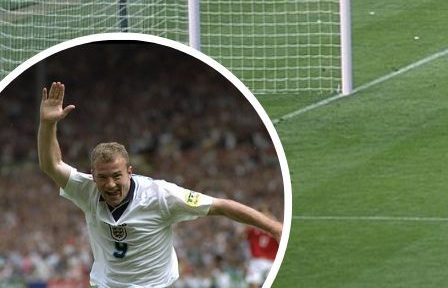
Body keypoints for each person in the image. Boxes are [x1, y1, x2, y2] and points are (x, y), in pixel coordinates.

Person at [37, 82, 284, 288]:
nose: (110, 184)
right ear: (92, 175)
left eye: (116, 175)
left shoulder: (160, 195)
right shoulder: (86, 189)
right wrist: (48, 124)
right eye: (102, 177)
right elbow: (52, 165)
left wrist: (274, 227)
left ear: (129, 172)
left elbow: (220, 205)